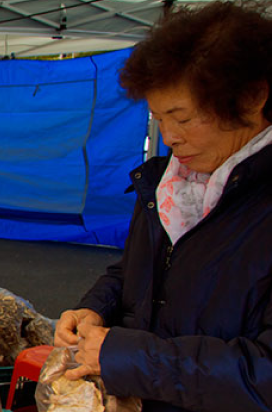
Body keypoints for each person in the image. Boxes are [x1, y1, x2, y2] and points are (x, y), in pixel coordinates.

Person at [54, 3, 272, 412]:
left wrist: (126, 356)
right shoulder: (165, 185)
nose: (170, 137)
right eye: (158, 118)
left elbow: (264, 374)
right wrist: (95, 308)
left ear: (251, 98)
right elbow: (135, 272)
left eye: (183, 118)